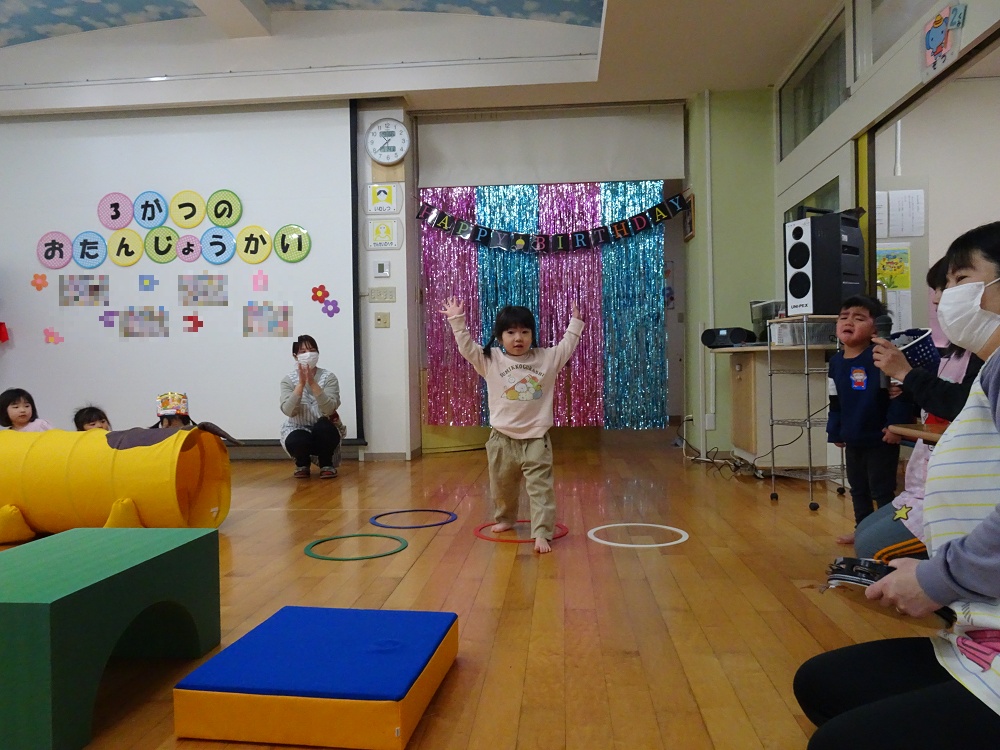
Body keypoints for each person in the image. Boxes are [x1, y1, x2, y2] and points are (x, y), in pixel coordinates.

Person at [795, 222, 1000, 747]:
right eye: (943, 287)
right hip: (975, 628)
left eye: (961, 280)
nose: (947, 299)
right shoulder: (984, 367)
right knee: (820, 683)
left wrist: (938, 578)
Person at [854, 259, 983, 561]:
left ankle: (942, 570)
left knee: (872, 548)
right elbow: (935, 405)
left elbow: (964, 405)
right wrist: (908, 388)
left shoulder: (986, 356)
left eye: (952, 283)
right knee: (864, 533)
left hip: (958, 491)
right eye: (936, 289)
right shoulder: (955, 351)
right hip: (927, 482)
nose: (937, 298)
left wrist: (909, 375)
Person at [440, 297, 584, 554]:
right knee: (502, 485)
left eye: (525, 332)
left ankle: (542, 531)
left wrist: (576, 322)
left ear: (532, 335)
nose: (518, 338)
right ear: (499, 337)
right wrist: (456, 320)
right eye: (511, 332)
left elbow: (567, 346)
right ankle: (506, 518)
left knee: (540, 488)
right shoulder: (490, 359)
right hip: (501, 438)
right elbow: (467, 348)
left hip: (536, 438)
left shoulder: (547, 358)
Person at [827, 296, 917, 544]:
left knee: (882, 489)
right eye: (844, 317)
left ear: (875, 329)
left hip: (880, 437)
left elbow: (901, 395)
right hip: (852, 435)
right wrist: (835, 430)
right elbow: (834, 399)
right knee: (858, 488)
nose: (849, 321)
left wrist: (895, 426)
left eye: (859, 318)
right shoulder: (835, 362)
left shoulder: (881, 357)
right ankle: (863, 531)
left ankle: (886, 536)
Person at [279, 334, 341, 479]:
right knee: (297, 438)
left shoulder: (329, 377)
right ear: (295, 356)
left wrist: (312, 383)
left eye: (312, 350)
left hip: (324, 426)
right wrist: (300, 385)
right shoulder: (288, 380)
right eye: (303, 351)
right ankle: (302, 464)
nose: (308, 354)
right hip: (298, 426)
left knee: (324, 428)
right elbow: (288, 411)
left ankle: (326, 464)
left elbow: (329, 409)